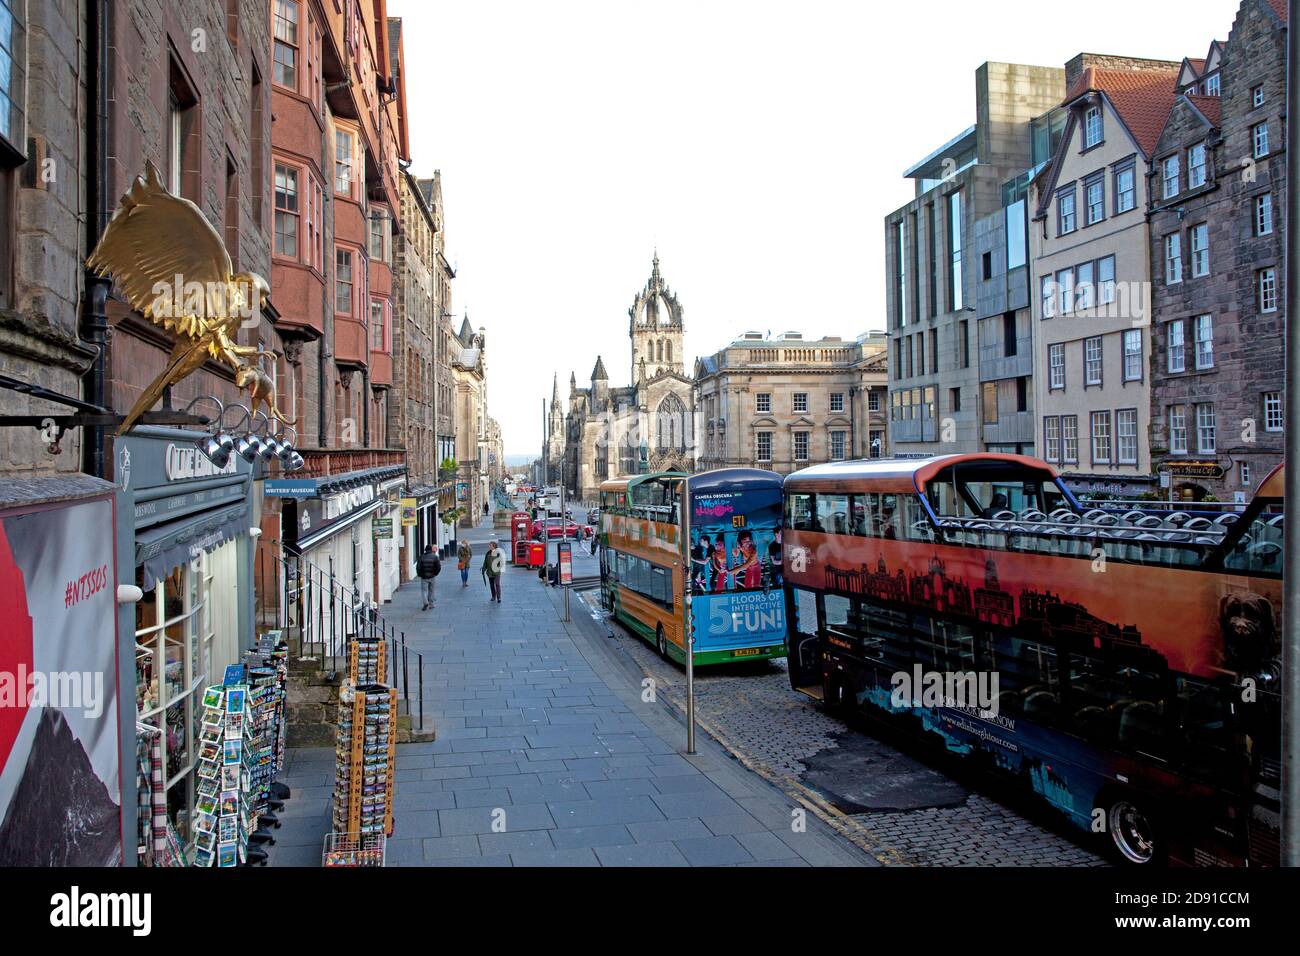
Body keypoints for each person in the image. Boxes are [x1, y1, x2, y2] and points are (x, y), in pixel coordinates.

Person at [416, 544, 441, 611]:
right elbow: (438, 567)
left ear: (425, 550)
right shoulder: (435, 557)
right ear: (431, 549)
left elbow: (418, 567)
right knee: (431, 590)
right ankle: (431, 604)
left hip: (424, 577)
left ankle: (425, 602)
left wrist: (419, 574)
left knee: (424, 590)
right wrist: (435, 573)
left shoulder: (421, 557)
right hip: (432, 576)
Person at [482, 538, 505, 603]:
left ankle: (499, 597)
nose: (489, 546)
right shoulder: (488, 553)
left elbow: (502, 562)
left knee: (497, 584)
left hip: (496, 572)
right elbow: (485, 562)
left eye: (490, 545)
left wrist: (497, 567)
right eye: (489, 545)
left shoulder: (498, 553)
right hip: (489, 572)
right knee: (491, 585)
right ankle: (493, 596)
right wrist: (483, 569)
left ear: (494, 546)